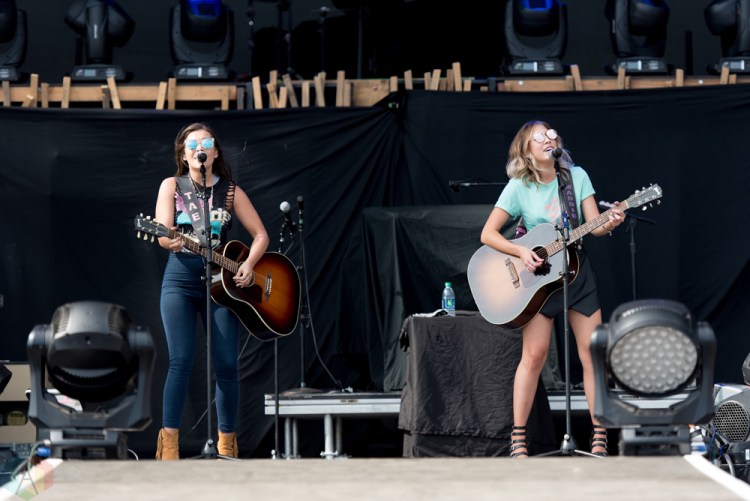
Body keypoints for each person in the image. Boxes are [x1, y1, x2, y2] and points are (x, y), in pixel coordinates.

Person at [480, 120, 625, 458]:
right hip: (540, 280)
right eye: (538, 137)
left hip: (577, 273)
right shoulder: (518, 186)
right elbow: (488, 234)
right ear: (526, 151)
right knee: (534, 356)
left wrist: (612, 219)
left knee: (593, 355)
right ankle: (518, 439)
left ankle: (599, 437)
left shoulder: (576, 177)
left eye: (550, 134)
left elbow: (595, 226)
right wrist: (520, 251)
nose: (547, 139)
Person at [154, 122, 269, 460]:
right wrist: (168, 237)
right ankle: (170, 445)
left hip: (223, 286)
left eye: (205, 142)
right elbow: (162, 234)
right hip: (180, 280)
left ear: (215, 151)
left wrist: (248, 264)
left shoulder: (230, 191)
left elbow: (260, 234)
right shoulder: (172, 185)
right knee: (181, 361)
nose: (198, 148)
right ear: (183, 154)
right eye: (192, 144)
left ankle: (226, 444)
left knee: (227, 364)